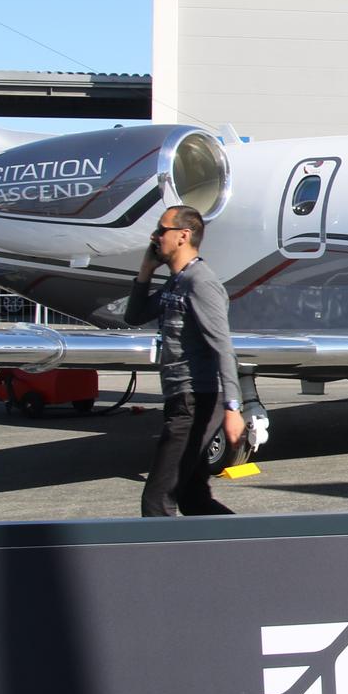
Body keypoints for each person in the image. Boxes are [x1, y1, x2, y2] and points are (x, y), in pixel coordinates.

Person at [125, 205, 244, 516]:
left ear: (183, 236)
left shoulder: (200, 282)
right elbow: (134, 316)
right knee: (192, 496)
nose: (154, 237)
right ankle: (250, 550)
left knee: (157, 499)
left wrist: (233, 408)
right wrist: (145, 272)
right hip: (181, 396)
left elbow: (223, 347)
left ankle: (160, 561)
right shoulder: (177, 282)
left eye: (161, 230)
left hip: (197, 399)